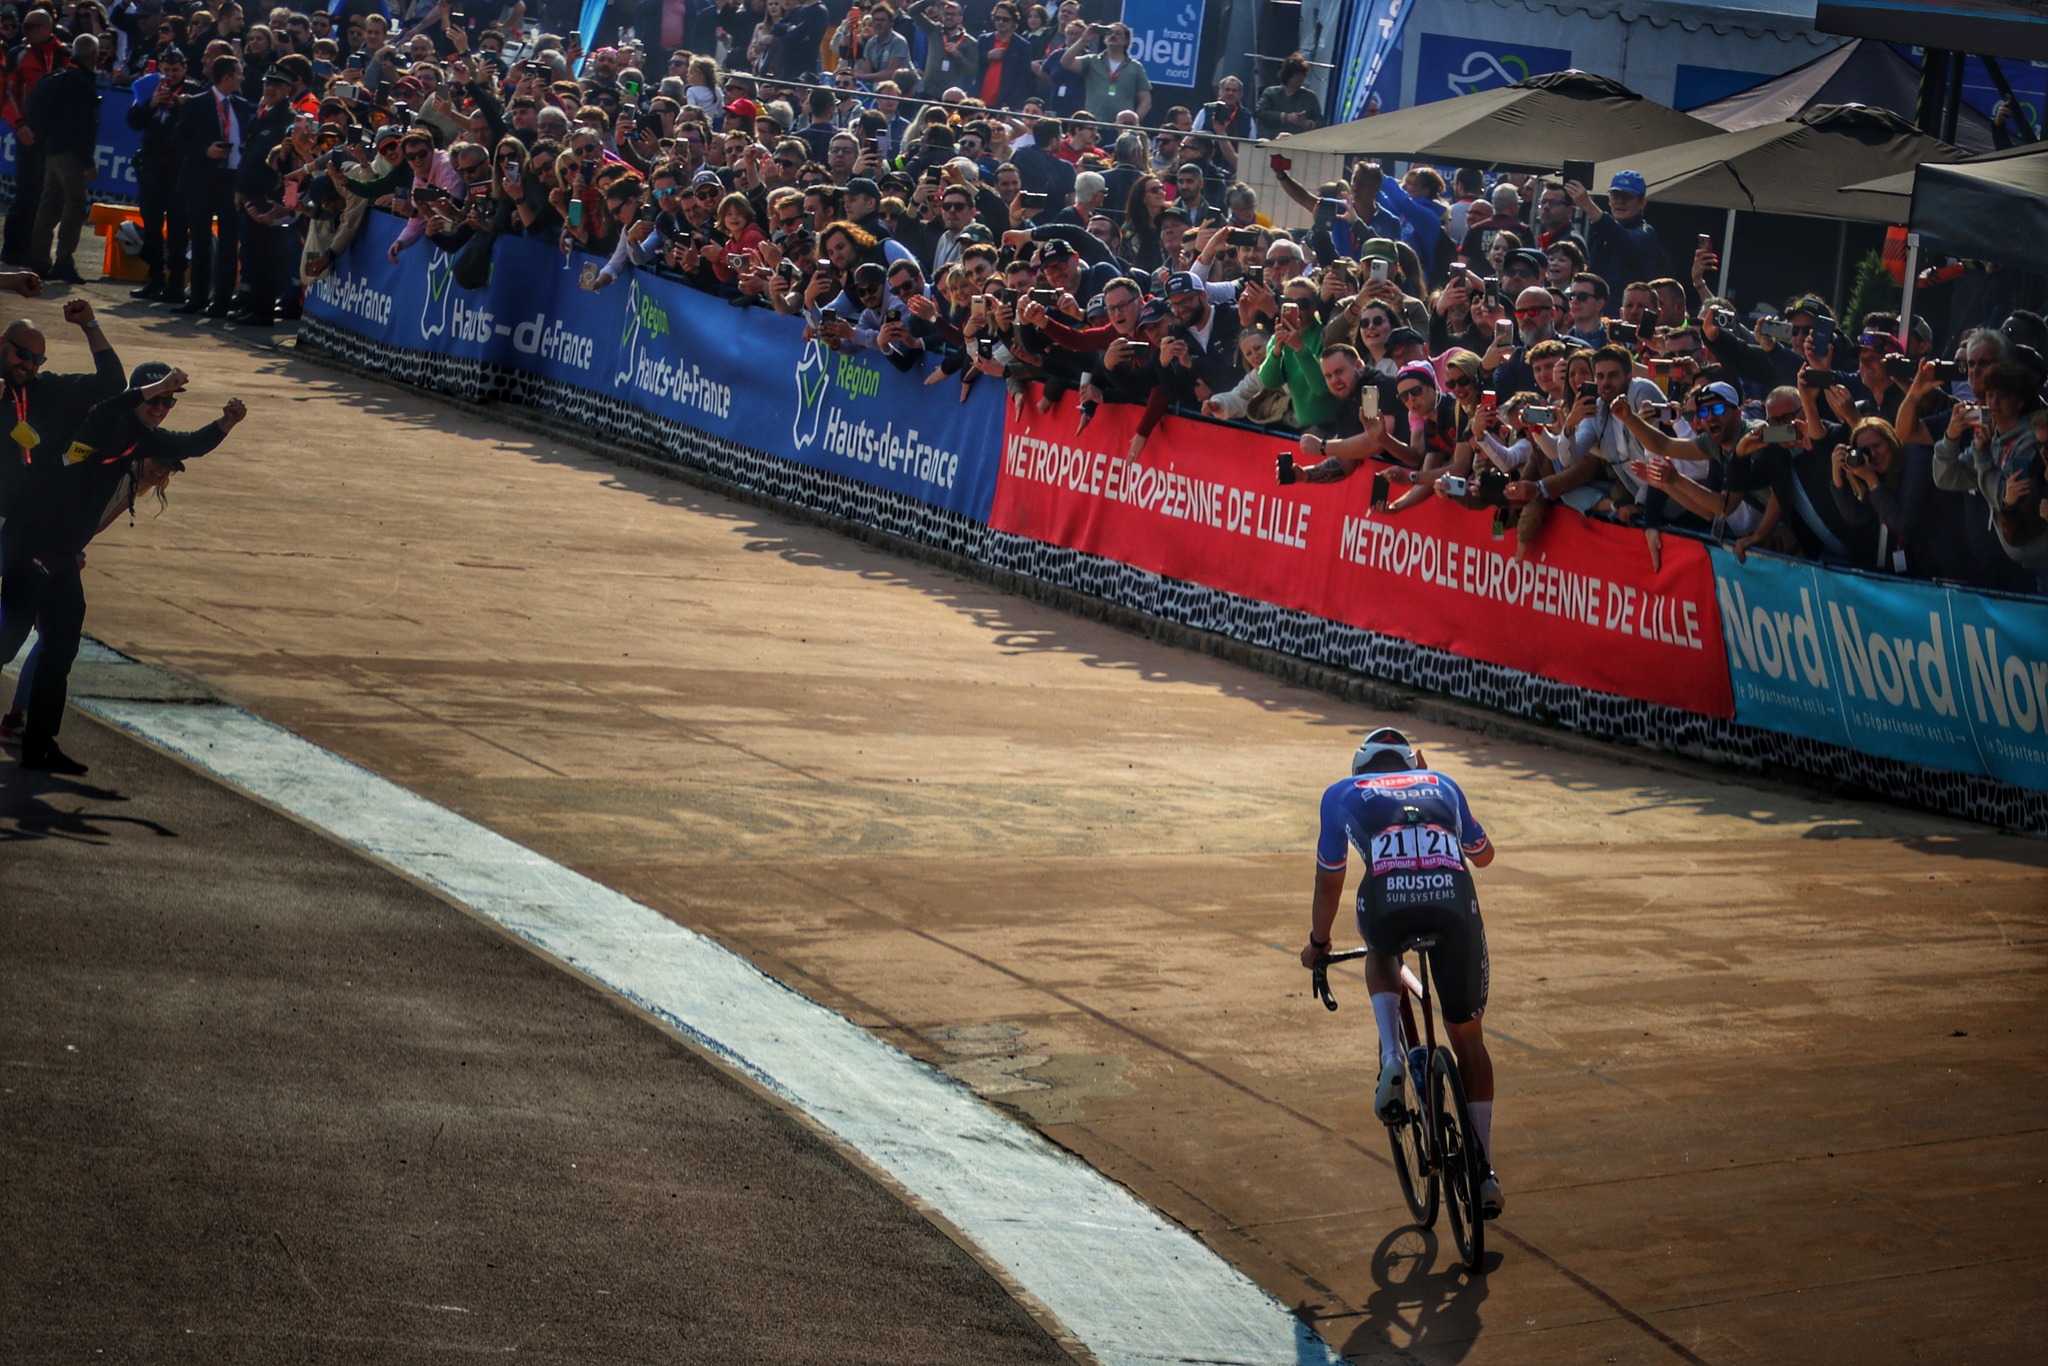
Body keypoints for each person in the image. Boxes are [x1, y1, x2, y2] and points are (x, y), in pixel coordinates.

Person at [0, 362, 245, 773]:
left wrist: (226, 422)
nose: (162, 406)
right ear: (140, 393)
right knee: (7, 642)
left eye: (169, 401)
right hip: (31, 545)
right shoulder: (101, 419)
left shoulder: (145, 439)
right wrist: (157, 386)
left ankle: (40, 745)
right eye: (157, 397)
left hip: (62, 555)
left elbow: (193, 444)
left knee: (60, 647)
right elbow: (115, 406)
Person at [1300, 727, 1503, 1216]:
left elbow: (1330, 884)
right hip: (1455, 908)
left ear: (1359, 768)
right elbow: (1485, 856)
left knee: (1382, 947)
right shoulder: (1443, 783)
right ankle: (1485, 1172)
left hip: (1388, 907)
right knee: (1468, 1039)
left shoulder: (1341, 794)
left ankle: (1392, 1055)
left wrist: (1319, 945)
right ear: (1412, 764)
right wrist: (1432, 784)